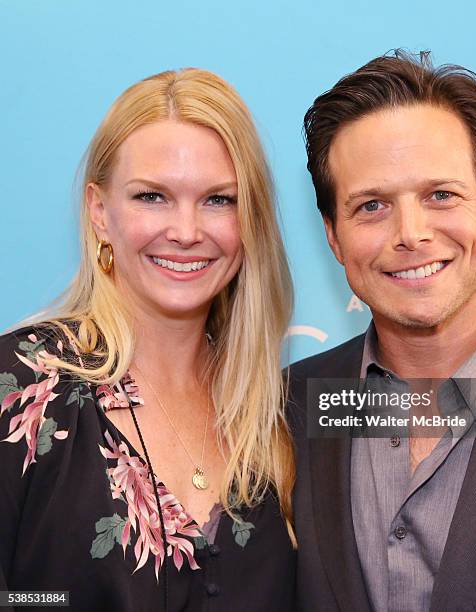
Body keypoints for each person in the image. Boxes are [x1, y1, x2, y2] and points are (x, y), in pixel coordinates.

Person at [0, 68, 296, 612]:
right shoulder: (21, 391)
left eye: (219, 200)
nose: (186, 230)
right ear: (99, 212)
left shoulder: (277, 413)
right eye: (153, 197)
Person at [288, 50, 476, 611]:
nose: (410, 233)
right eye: (372, 206)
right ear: (333, 237)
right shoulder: (288, 407)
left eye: (441, 195)